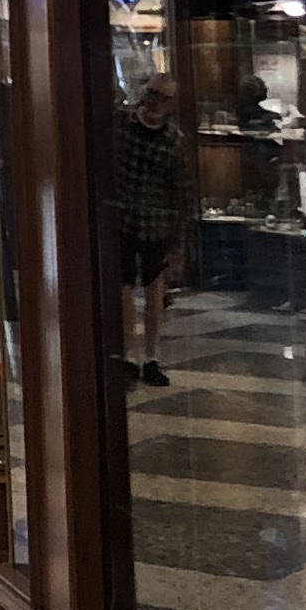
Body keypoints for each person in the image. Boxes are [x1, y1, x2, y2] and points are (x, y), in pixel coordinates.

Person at [116, 68, 192, 389]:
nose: (155, 102)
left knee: (154, 290)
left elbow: (181, 191)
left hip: (156, 225)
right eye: (152, 94)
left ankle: (151, 357)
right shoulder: (123, 126)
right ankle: (129, 355)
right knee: (123, 288)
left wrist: (177, 240)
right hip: (123, 220)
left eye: (162, 98)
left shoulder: (173, 140)